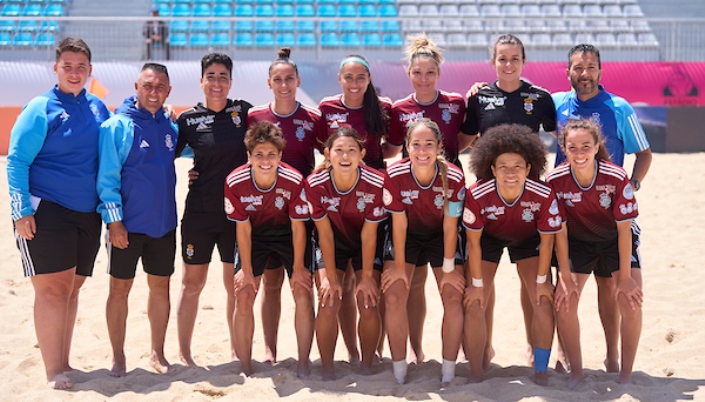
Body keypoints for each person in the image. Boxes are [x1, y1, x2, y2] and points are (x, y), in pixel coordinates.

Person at [7, 37, 111, 390]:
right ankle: (53, 370)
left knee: (72, 289)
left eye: (81, 66)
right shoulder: (40, 108)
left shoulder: (98, 107)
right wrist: (20, 211)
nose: (74, 72)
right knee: (52, 290)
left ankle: (64, 362)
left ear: (90, 70)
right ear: (55, 68)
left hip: (87, 213)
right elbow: (17, 160)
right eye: (67, 65)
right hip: (46, 209)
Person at [552, 43, 651, 375]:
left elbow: (645, 154)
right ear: (568, 72)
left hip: (610, 211)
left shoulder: (619, 107)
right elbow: (519, 105)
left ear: (600, 70)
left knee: (611, 288)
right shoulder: (554, 104)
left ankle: (612, 356)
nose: (584, 73)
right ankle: (567, 359)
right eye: (578, 67)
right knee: (564, 290)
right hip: (568, 212)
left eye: (591, 67)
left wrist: (631, 185)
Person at [461, 34, 558, 369]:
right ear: (493, 62)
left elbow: (568, 140)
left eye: (514, 58)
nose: (508, 64)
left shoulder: (540, 98)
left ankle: (536, 348)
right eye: (502, 58)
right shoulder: (478, 97)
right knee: (480, 287)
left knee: (533, 285)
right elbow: (461, 140)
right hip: (486, 201)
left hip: (529, 202)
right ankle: (483, 348)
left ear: (523, 61)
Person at [389, 34, 469, 366]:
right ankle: (416, 348)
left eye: (430, 73)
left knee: (454, 276)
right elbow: (392, 150)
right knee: (415, 279)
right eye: (417, 73)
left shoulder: (455, 102)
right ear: (408, 74)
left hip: (448, 188)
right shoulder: (398, 109)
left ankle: (462, 347)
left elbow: (463, 140)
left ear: (439, 74)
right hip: (411, 189)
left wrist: (440, 164)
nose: (424, 79)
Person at [462, 124, 563, 385]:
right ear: (492, 169)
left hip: (527, 239)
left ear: (529, 168)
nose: (510, 172)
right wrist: (476, 285)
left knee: (542, 299)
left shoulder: (542, 194)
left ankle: (540, 370)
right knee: (474, 301)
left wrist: (542, 281)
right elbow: (473, 243)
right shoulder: (477, 193)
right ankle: (476, 371)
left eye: (517, 165)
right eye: (502, 166)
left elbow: (547, 241)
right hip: (488, 239)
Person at [546, 118, 643, 388]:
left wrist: (624, 278)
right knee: (564, 301)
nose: (580, 153)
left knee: (631, 300)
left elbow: (625, 231)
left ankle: (624, 373)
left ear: (597, 145)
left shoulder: (615, 176)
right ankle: (576, 372)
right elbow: (560, 232)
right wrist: (564, 276)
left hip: (615, 240)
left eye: (586, 146)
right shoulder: (555, 180)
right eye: (573, 147)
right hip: (578, 242)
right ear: (563, 148)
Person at [97, 63, 178, 377]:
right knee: (119, 291)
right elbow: (107, 179)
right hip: (126, 229)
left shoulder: (171, 127)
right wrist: (115, 222)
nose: (153, 92)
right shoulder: (117, 126)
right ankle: (118, 357)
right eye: (148, 85)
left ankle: (157, 353)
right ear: (136, 86)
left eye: (160, 87)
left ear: (168, 91)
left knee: (161, 289)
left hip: (164, 225)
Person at [318, 54, 398, 366]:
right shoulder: (327, 108)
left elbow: (391, 148)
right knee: (344, 281)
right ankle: (351, 350)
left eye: (360, 77)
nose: (354, 83)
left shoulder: (383, 108)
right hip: (338, 191)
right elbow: (321, 145)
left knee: (369, 283)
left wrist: (368, 166)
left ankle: (372, 351)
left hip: (373, 192)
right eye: (348, 77)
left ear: (368, 80)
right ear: (339, 79)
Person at [174, 53, 253, 367]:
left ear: (230, 81)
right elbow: (165, 153)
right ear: (201, 80)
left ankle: (236, 351)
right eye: (211, 75)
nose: (217, 81)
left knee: (234, 285)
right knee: (191, 284)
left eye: (223, 75)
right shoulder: (187, 120)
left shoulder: (244, 112)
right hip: (200, 214)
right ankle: (183, 354)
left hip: (236, 216)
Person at [246, 48, 322, 366]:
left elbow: (331, 157)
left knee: (302, 284)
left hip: (300, 218)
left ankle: (305, 355)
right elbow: (244, 161)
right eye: (277, 79)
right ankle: (270, 350)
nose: (284, 84)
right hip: (265, 217)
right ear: (269, 83)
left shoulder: (313, 119)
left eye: (289, 78)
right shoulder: (255, 117)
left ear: (298, 80)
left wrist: (311, 184)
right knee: (271, 284)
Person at [224, 121, 313, 377]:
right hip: (255, 236)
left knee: (303, 291)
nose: (265, 160)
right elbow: (242, 229)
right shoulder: (235, 181)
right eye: (259, 155)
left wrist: (297, 269)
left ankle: (304, 362)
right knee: (244, 293)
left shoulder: (294, 179)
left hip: (288, 234)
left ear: (280, 156)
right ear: (249, 156)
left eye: (271, 154)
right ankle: (245, 366)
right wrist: (247, 271)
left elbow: (298, 228)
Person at [381, 118, 466, 385]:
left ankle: (448, 372)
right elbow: (399, 223)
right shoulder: (395, 174)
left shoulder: (453, 176)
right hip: (407, 235)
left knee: (453, 296)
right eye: (415, 144)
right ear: (406, 147)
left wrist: (450, 268)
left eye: (429, 144)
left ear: (439, 147)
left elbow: (451, 225)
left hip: (441, 236)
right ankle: (399, 370)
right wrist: (398, 266)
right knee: (395, 294)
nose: (422, 150)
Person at [305, 128, 387, 380]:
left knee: (368, 300)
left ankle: (366, 366)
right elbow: (325, 235)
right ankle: (328, 368)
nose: (345, 155)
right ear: (328, 154)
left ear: (362, 154)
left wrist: (366, 278)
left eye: (352, 150)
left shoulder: (377, 182)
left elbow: (369, 234)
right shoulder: (315, 184)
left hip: (365, 241)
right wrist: (329, 276)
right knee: (329, 300)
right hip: (333, 242)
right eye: (339, 150)